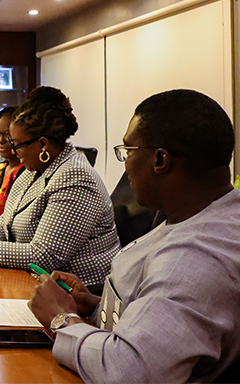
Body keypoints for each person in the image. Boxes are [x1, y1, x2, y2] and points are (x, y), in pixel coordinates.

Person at [29, 89, 240, 383]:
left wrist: (61, 320)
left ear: (160, 160)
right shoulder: (200, 213)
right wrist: (96, 304)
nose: (125, 163)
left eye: (128, 151)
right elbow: (162, 313)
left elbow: (129, 370)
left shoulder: (195, 258)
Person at [0, 87, 119, 286]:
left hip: (78, 293)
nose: (13, 149)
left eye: (18, 143)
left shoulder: (75, 177)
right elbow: (6, 225)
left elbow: (44, 257)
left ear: (43, 144)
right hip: (30, 282)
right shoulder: (31, 171)